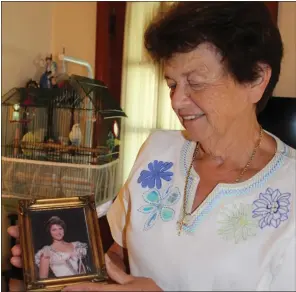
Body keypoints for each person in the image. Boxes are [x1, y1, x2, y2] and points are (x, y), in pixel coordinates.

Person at [8, 2, 295, 291]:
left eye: (195, 82)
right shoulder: (158, 152)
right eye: (172, 84)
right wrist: (68, 268)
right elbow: (118, 253)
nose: (177, 101)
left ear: (256, 80)